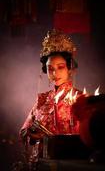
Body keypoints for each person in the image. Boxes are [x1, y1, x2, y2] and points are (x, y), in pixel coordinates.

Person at [19, 29, 82, 162]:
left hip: (71, 162)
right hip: (42, 161)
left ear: (69, 68)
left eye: (60, 67)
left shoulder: (80, 98)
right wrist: (31, 133)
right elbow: (24, 131)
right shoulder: (42, 99)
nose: (55, 73)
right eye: (50, 69)